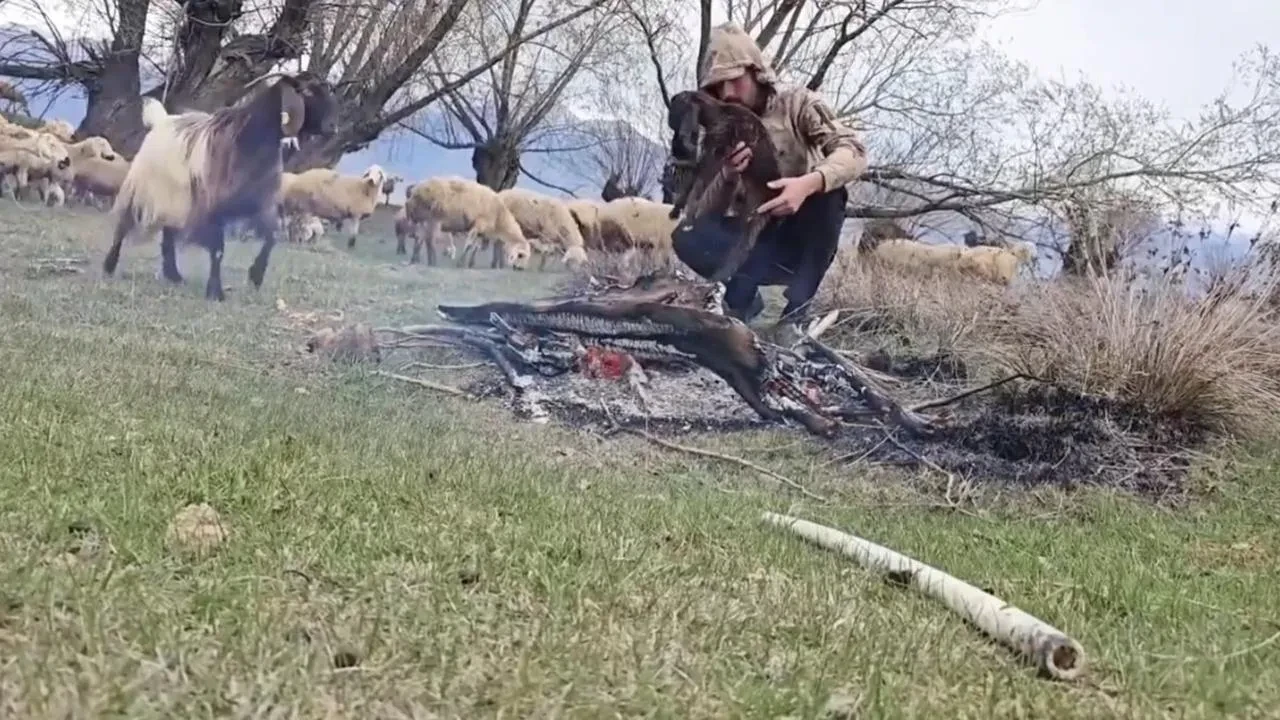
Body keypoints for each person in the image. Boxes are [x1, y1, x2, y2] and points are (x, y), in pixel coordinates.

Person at [669, 22, 868, 335]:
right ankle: (740, 300)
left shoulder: (797, 105)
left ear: (755, 72)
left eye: (733, 81)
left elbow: (852, 150)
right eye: (716, 88)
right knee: (686, 237)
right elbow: (703, 209)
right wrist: (728, 175)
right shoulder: (717, 128)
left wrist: (807, 184)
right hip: (749, 239)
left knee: (831, 198)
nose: (727, 94)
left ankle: (796, 314)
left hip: (797, 236)